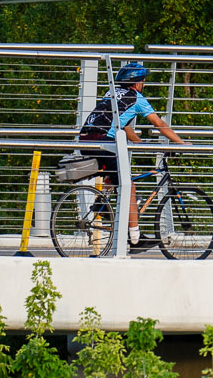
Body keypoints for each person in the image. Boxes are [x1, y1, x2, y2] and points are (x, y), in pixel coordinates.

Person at [77, 61, 188, 248]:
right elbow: (159, 124)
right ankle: (135, 239)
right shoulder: (137, 99)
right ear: (136, 83)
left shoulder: (111, 93)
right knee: (130, 186)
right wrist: (182, 144)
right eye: (143, 81)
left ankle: (102, 204)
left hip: (87, 139)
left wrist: (140, 144)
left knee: (117, 176)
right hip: (105, 142)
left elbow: (123, 126)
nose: (143, 84)